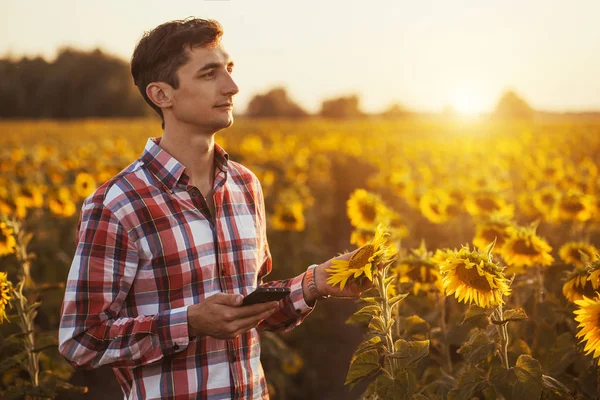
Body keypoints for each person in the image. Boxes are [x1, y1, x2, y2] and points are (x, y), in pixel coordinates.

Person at [58, 17, 374, 400]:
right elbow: (81, 339)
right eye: (209, 74)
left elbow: (246, 306)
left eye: (229, 69)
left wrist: (315, 283)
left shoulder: (245, 186)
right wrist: (189, 323)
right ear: (162, 95)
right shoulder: (120, 204)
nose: (232, 86)